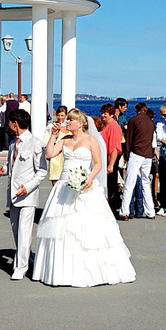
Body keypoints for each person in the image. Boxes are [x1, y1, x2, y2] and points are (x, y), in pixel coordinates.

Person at [32, 109, 135, 287]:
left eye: (71, 120)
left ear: (80, 123)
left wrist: (90, 178)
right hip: (65, 185)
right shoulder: (64, 139)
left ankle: (91, 271)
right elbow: (49, 154)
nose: (67, 122)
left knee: (87, 227)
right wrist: (53, 136)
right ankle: (62, 271)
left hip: (85, 184)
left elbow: (98, 163)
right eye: (67, 120)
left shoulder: (91, 140)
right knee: (61, 226)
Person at [0, 108, 47, 280]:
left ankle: (20, 267)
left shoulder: (35, 143)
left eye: (9, 123)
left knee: (25, 231)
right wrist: (2, 171)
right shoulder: (12, 144)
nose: (8, 127)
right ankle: (26, 257)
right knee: (16, 231)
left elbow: (41, 171)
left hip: (28, 195)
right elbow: (13, 167)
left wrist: (28, 186)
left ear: (15, 123)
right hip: (13, 194)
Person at [118, 102, 155, 221]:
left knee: (129, 183)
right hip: (148, 154)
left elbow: (129, 139)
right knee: (146, 182)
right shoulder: (151, 122)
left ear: (136, 110)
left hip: (136, 153)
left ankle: (124, 211)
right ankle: (150, 211)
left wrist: (127, 155)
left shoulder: (133, 121)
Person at [99, 103, 123, 210]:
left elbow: (114, 148)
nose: (103, 116)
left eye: (106, 114)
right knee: (107, 185)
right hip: (104, 159)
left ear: (112, 114)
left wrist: (111, 164)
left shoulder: (113, 126)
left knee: (111, 185)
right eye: (102, 113)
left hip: (109, 159)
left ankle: (113, 208)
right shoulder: (106, 125)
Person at [153, 104, 166, 213]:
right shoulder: (160, 125)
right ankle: (163, 204)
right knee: (163, 179)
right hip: (163, 155)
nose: (163, 117)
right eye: (161, 115)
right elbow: (160, 137)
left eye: (165, 115)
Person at [42, 106, 69, 186]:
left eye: (62, 115)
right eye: (58, 115)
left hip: (66, 157)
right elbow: (45, 141)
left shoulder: (69, 127)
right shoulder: (51, 127)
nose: (60, 117)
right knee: (56, 183)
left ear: (66, 116)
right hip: (55, 158)